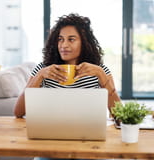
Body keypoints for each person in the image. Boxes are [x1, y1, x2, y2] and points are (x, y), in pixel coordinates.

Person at [14, 13, 121, 160]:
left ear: (84, 42)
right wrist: (39, 77)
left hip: (89, 145)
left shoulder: (100, 70)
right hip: (49, 145)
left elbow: (120, 117)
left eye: (71, 39)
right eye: (60, 39)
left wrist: (102, 77)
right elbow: (18, 112)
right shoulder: (43, 69)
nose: (64, 45)